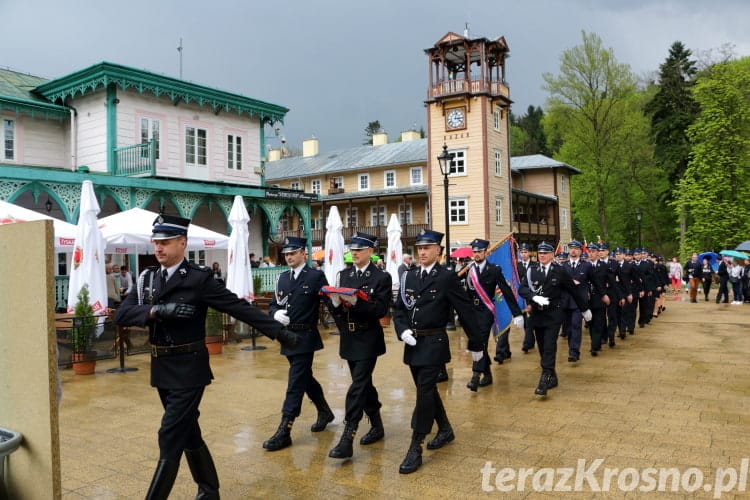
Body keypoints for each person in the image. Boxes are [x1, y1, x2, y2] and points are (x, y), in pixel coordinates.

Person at [115, 214, 299, 500]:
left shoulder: (199, 279)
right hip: (161, 368)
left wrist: (279, 333)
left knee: (170, 434)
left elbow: (237, 307)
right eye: (156, 242)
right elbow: (122, 314)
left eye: (165, 242)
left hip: (190, 369)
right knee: (187, 430)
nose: (158, 248)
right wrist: (155, 311)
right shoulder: (147, 279)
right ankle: (209, 490)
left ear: (182, 243)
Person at [392, 229, 483, 474]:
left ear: (438, 251)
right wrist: (402, 330)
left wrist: (476, 344)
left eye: (427, 248)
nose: (421, 252)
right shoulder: (409, 277)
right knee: (428, 391)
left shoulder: (446, 277)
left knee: (423, 394)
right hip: (413, 344)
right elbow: (399, 310)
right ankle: (445, 429)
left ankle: (416, 444)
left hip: (434, 344)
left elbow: (466, 311)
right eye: (419, 248)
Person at [264, 237, 334, 452]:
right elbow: (274, 304)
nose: (289, 257)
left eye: (293, 253)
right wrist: (276, 314)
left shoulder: (315, 276)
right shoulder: (283, 278)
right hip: (287, 337)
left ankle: (285, 429)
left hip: (305, 337)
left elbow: (330, 302)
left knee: (295, 381)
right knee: (304, 377)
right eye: (286, 254)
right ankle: (324, 411)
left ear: (304, 253)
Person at [326, 232, 392, 460]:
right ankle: (376, 424)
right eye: (352, 249)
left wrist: (356, 304)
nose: (354, 253)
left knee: (358, 385)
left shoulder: (381, 277)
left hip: (368, 338)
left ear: (370, 252)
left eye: (359, 249)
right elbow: (337, 310)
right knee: (363, 384)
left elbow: (380, 310)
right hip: (350, 338)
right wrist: (334, 304)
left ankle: (348, 435)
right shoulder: (343, 275)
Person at [519, 242, 591, 396]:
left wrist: (584, 309)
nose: (542, 256)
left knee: (550, 345)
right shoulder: (532, 270)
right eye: (540, 253)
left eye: (545, 253)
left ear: (552, 254)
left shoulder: (560, 271)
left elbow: (573, 290)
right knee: (542, 346)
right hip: (537, 315)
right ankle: (552, 375)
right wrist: (534, 297)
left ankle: (544, 378)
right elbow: (522, 289)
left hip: (553, 314)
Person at [464, 238, 523, 390]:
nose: (476, 254)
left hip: (486, 310)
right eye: (474, 252)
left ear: (486, 252)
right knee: (480, 344)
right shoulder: (469, 270)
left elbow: (506, 290)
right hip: (473, 312)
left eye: (479, 251)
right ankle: (488, 373)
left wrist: (517, 313)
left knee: (479, 341)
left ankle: (476, 375)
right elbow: (467, 295)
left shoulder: (494, 269)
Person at [561, 240, 592, 362]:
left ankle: (574, 352)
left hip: (579, 302)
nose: (573, 251)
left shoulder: (586, 266)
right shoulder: (563, 266)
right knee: (568, 328)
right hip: (566, 301)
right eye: (571, 248)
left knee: (576, 325)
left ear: (580, 251)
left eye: (576, 249)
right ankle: (572, 349)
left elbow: (591, 281)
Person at [514, 242, 537, 355]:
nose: (523, 254)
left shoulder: (535, 265)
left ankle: (527, 343)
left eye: (525, 252)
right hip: (520, 296)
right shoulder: (516, 266)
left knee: (530, 320)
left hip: (531, 295)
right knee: (525, 321)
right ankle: (530, 340)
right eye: (521, 252)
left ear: (530, 253)